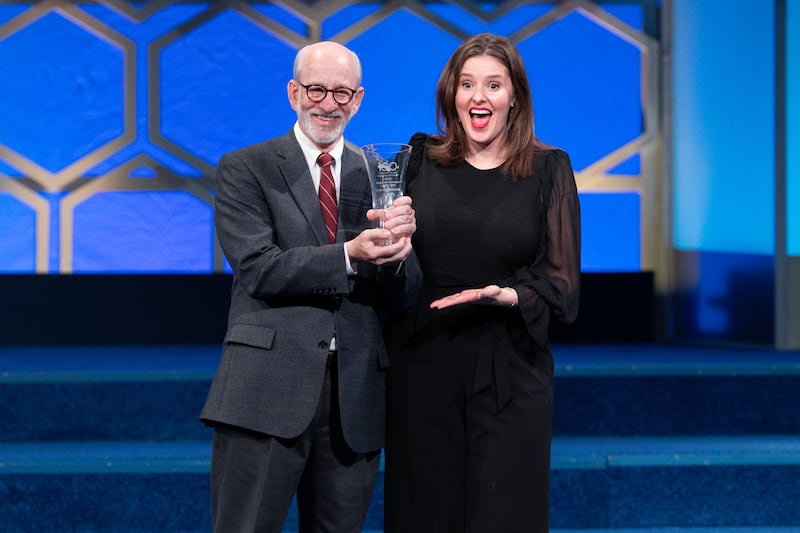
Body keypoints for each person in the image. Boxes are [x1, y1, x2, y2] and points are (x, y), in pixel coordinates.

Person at [200, 40, 422, 533]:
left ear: (358, 99)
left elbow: (405, 298)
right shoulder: (247, 167)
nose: (328, 103)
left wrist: (399, 256)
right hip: (265, 390)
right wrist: (350, 254)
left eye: (342, 93)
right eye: (317, 89)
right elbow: (259, 268)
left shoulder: (380, 174)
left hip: (354, 397)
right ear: (293, 92)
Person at [383, 33, 581, 533]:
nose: (479, 96)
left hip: (510, 364)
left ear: (514, 95)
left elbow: (562, 287)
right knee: (426, 511)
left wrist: (508, 295)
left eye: (494, 84)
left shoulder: (548, 169)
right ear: (451, 94)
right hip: (425, 357)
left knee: (504, 515)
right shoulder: (420, 158)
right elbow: (390, 260)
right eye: (467, 84)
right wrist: (393, 243)